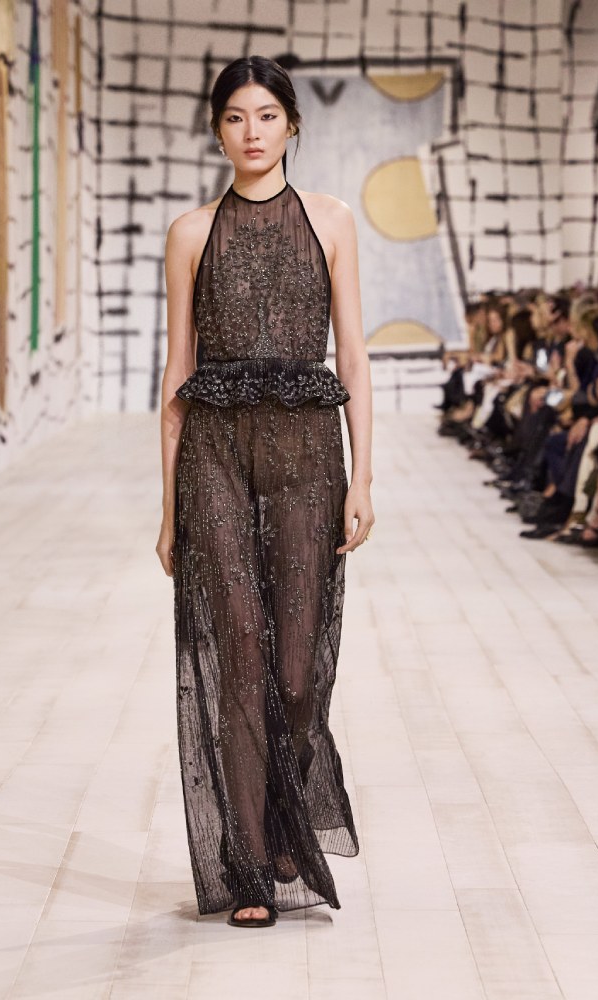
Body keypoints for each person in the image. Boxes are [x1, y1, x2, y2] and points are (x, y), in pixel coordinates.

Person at [156, 55, 373, 929]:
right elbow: (176, 373)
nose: (252, 131)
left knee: (294, 670)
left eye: (268, 115)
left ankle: (285, 817)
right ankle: (249, 861)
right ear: (217, 131)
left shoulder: (332, 221)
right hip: (213, 452)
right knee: (240, 653)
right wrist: (167, 509)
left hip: (308, 457)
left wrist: (365, 475)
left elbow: (352, 355)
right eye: (236, 117)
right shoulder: (189, 233)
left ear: (293, 125)